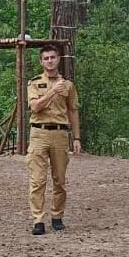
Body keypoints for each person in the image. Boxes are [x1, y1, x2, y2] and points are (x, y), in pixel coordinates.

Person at [26, 44, 81, 235]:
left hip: (60, 134)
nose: (50, 61)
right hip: (39, 133)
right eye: (46, 58)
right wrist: (52, 92)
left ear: (58, 60)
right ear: (41, 62)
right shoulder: (34, 83)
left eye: (53, 57)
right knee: (37, 180)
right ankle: (38, 220)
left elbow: (73, 111)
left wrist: (77, 137)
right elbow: (35, 108)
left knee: (59, 180)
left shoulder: (68, 85)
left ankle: (57, 217)